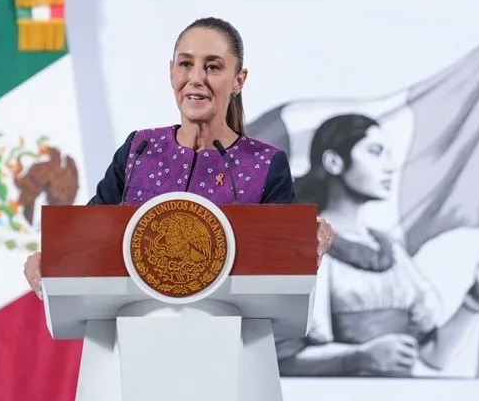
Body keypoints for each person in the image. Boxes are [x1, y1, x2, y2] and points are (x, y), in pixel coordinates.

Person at [21, 17, 334, 297]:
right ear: (171, 72)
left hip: (230, 334)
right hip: (133, 328)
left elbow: (282, 263)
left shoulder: (264, 164)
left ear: (238, 80)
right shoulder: (138, 150)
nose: (196, 78)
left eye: (212, 67)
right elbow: (88, 236)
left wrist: (305, 240)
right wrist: (50, 261)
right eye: (185, 64)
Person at [277, 113, 479, 377]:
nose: (388, 167)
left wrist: (476, 295)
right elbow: (281, 360)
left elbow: (434, 355)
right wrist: (358, 357)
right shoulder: (301, 244)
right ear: (334, 162)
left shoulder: (389, 249)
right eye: (375, 152)